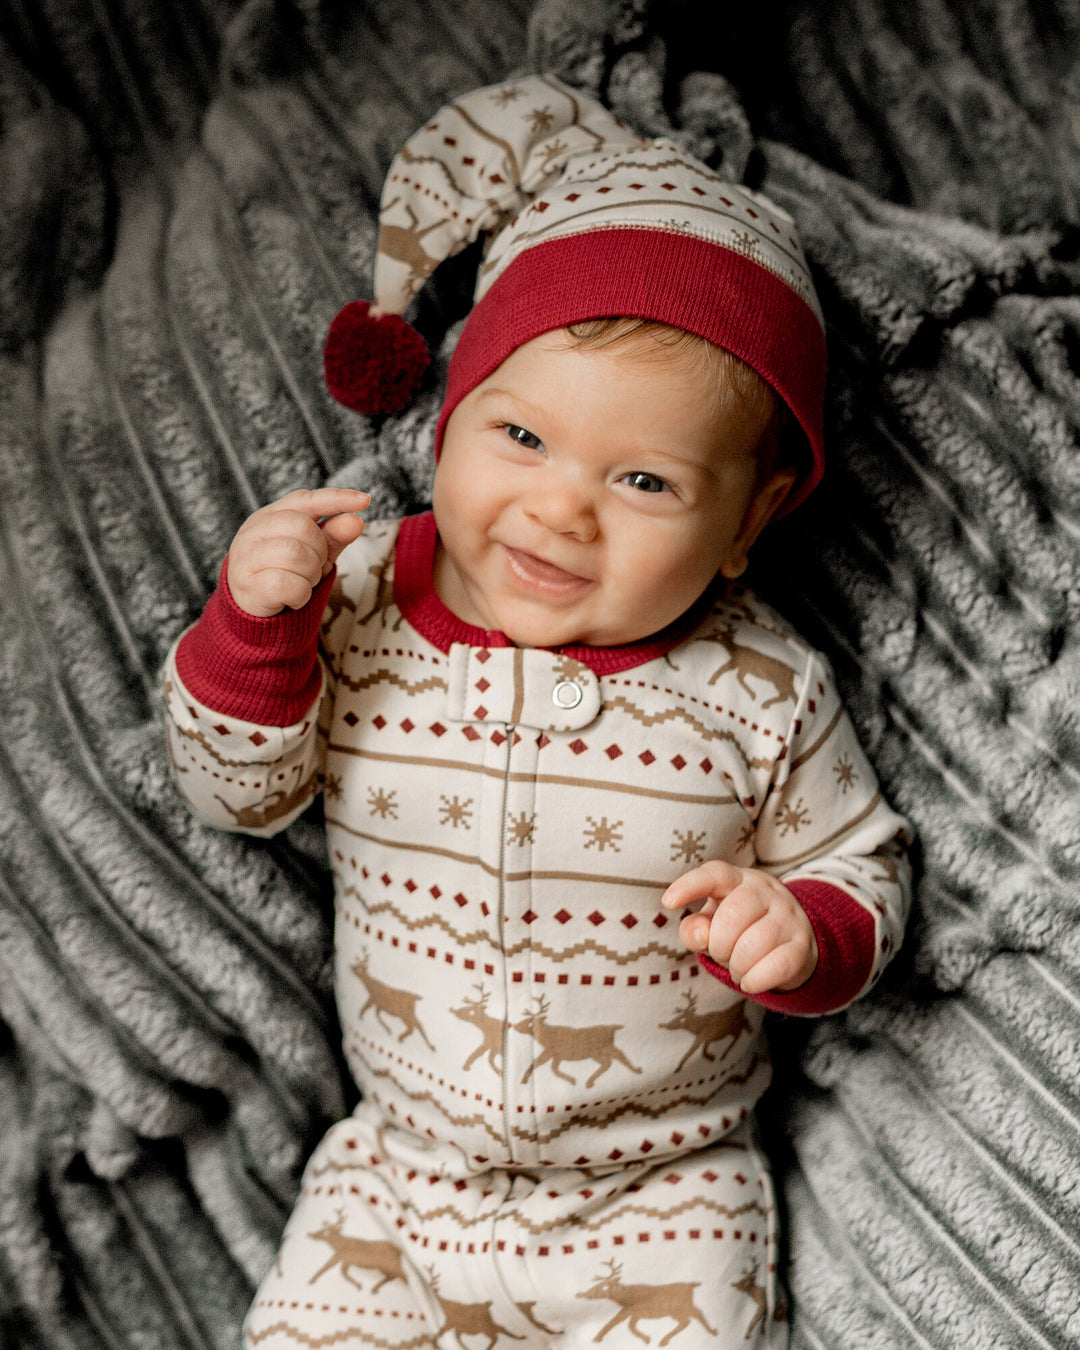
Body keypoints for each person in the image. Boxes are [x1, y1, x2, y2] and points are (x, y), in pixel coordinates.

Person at [163, 74, 911, 1348]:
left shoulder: (763, 690)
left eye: (642, 478)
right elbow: (239, 788)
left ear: (751, 521)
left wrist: (811, 929)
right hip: (398, 1185)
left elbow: (863, 858)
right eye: (518, 435)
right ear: (449, 415)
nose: (564, 510)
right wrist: (251, 629)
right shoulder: (354, 594)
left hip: (662, 1198)